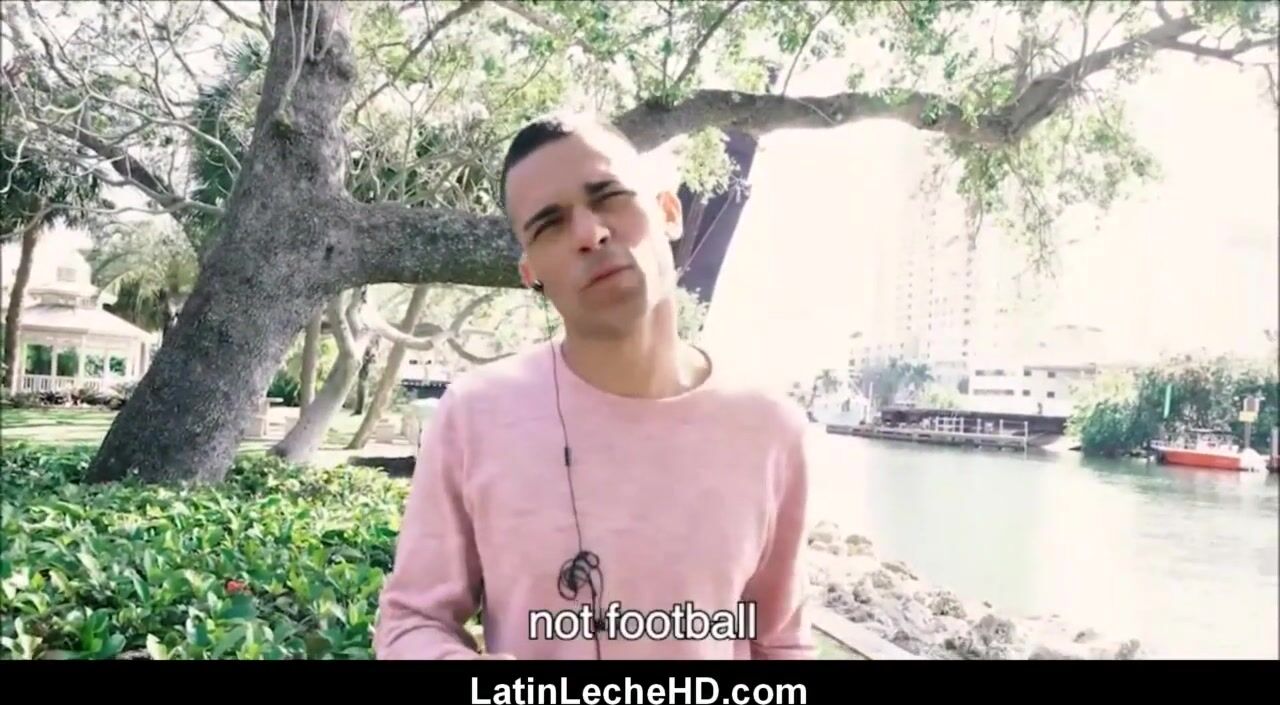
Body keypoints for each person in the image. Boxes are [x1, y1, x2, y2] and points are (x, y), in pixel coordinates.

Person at [373, 112, 815, 660]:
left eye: (609, 197)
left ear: (668, 211)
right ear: (530, 272)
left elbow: (779, 642)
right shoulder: (475, 414)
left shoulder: (770, 429)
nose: (589, 234)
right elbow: (411, 620)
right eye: (549, 225)